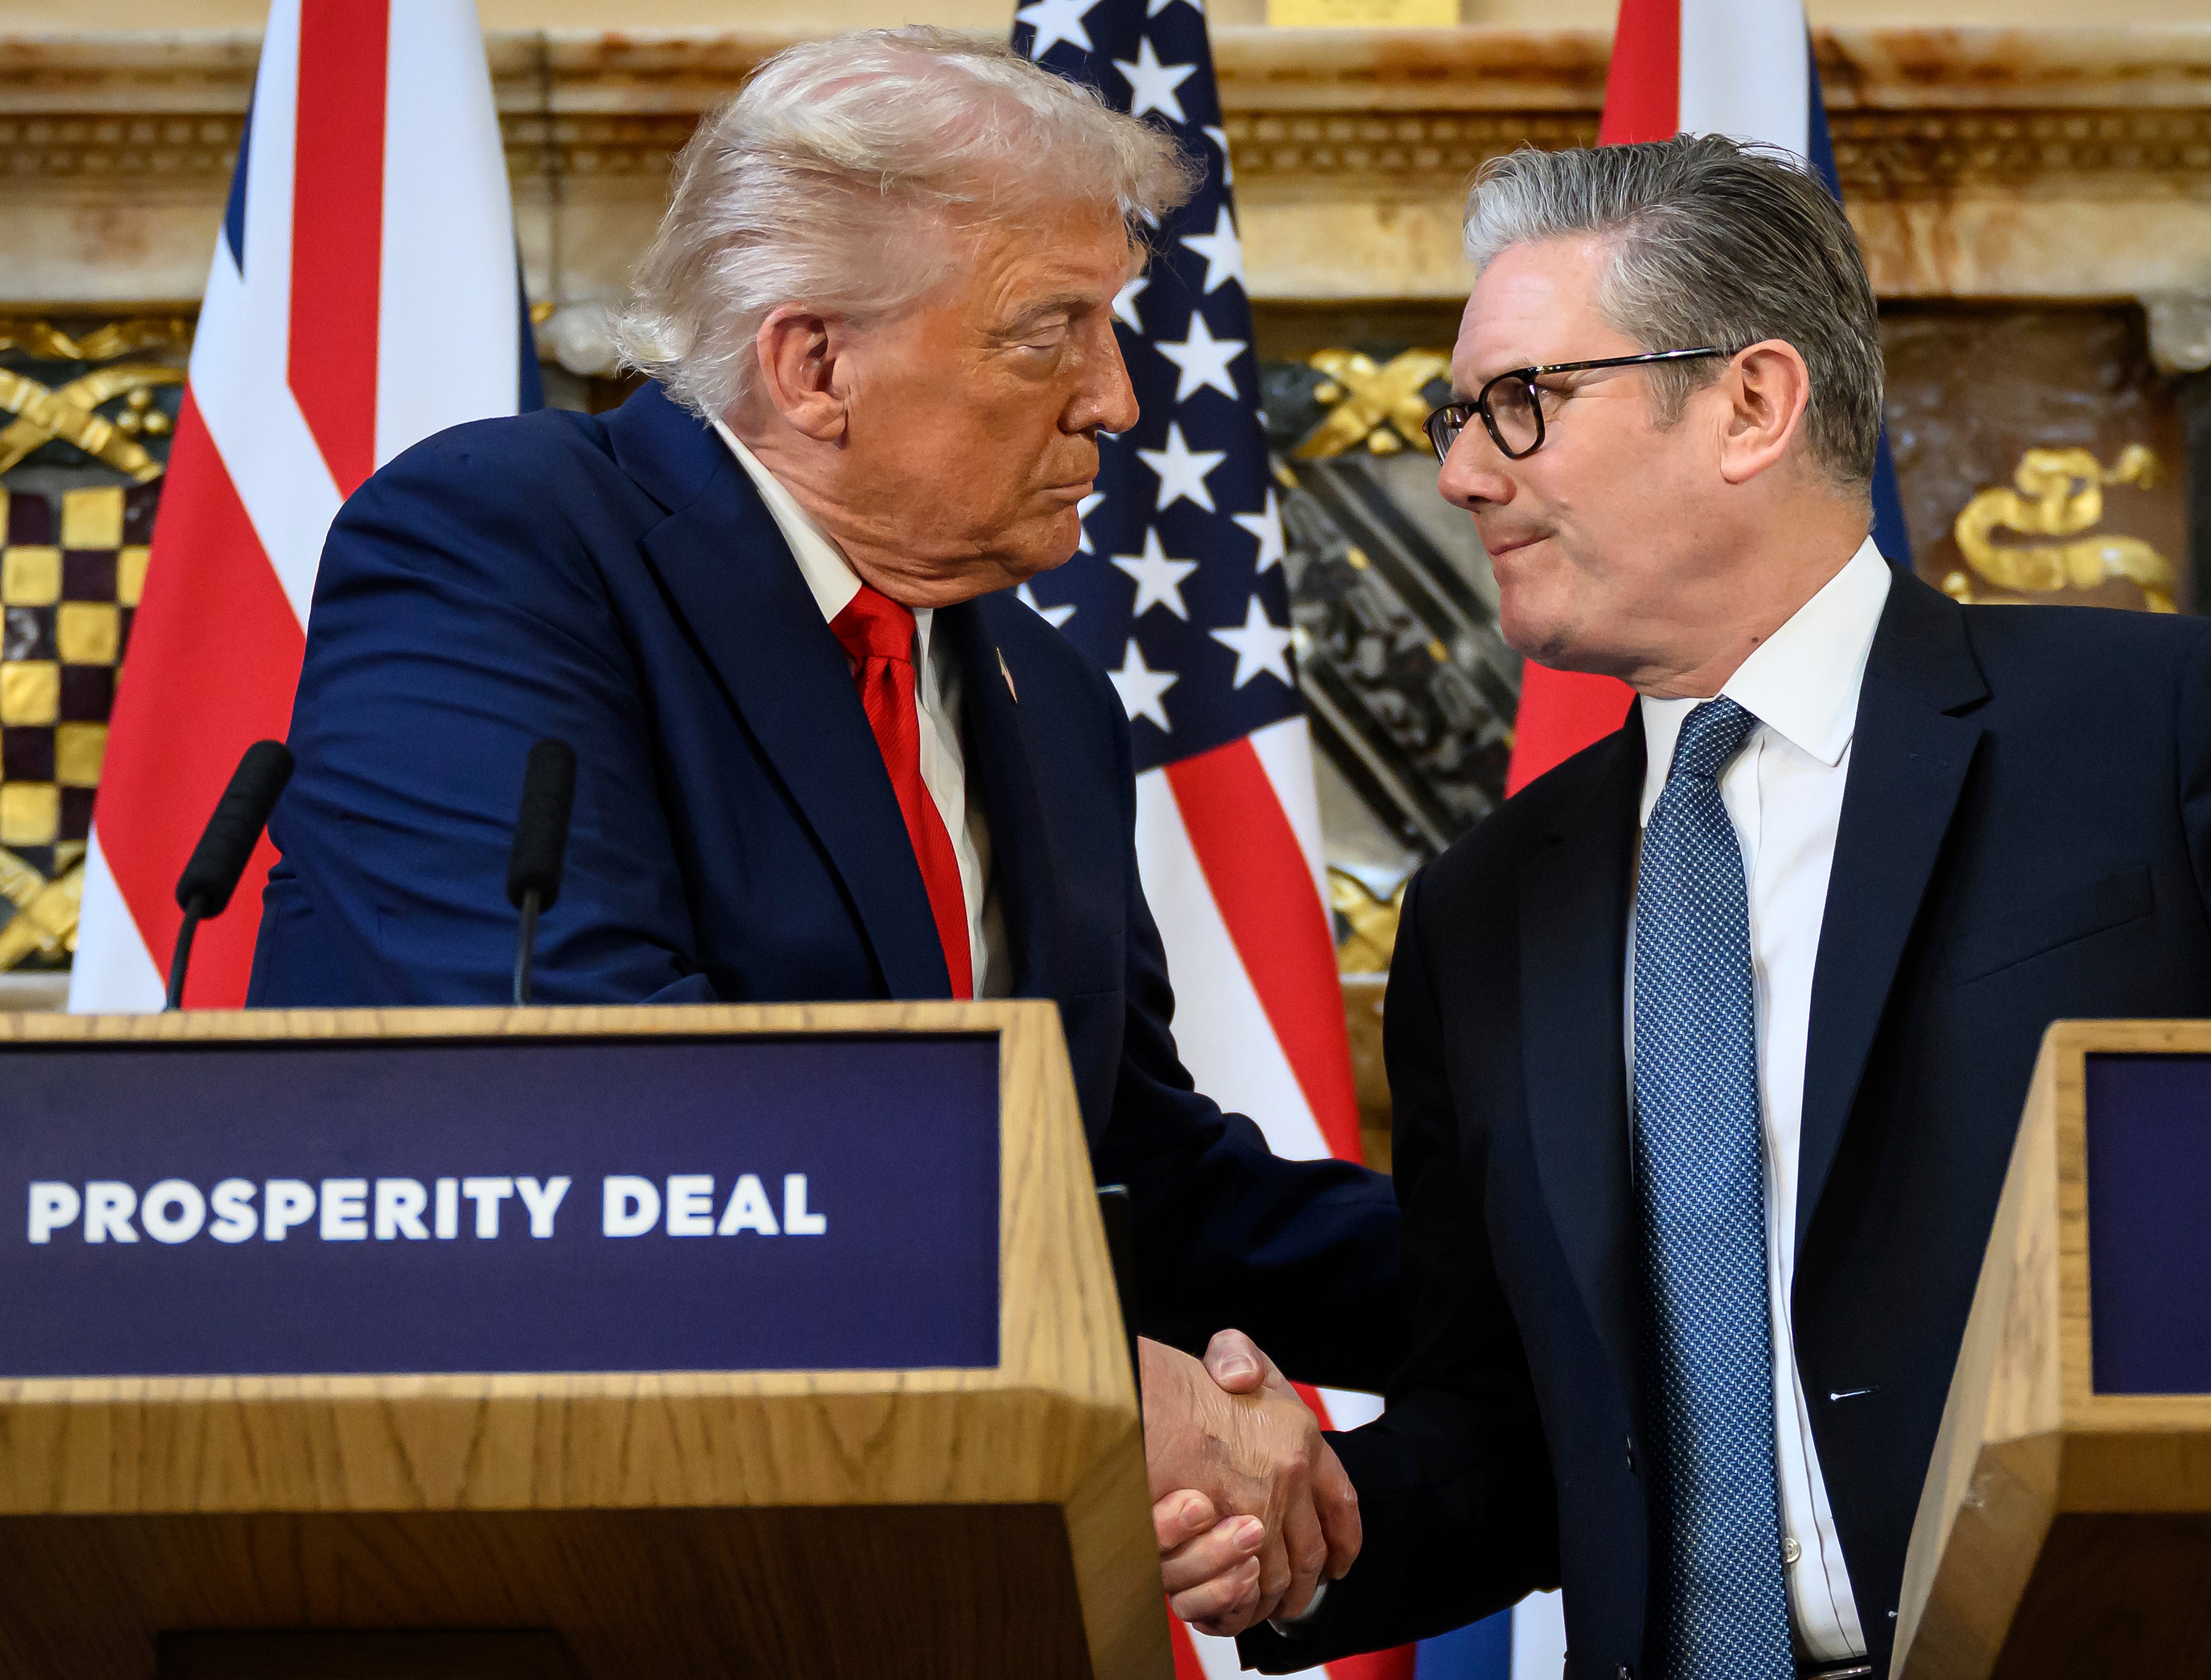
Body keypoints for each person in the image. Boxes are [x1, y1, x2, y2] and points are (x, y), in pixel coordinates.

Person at [1228, 136, 2211, 1677]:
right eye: (1459, 415)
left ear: (1753, 404)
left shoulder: (2151, 730)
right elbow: (1515, 1428)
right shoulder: (1481, 910)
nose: (1459, 473)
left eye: (1525, 404)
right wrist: (1298, 1528)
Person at [244, 30, 1395, 1633]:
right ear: (813, 366)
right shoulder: (508, 544)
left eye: (1112, 329)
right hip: (536, 1571)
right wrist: (1095, 1382)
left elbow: (1116, 1170)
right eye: (1048, 332)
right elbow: (584, 1100)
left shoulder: (1040, 691)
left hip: (932, 1591)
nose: (1119, 399)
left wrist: (1590, 1288)